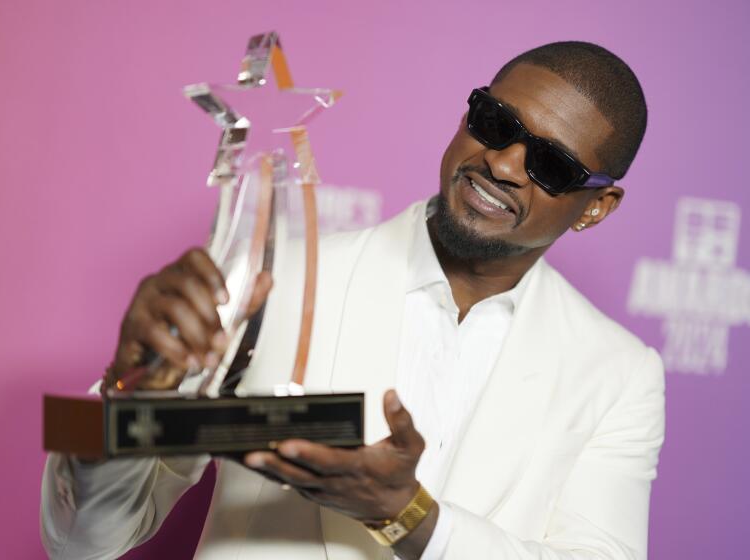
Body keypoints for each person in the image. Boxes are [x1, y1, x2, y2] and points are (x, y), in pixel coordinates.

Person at [41, 41, 664, 560]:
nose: (501, 163)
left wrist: (407, 515)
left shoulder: (618, 373)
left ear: (597, 208)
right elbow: (78, 542)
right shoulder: (271, 278)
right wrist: (127, 389)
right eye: (495, 123)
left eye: (551, 165)